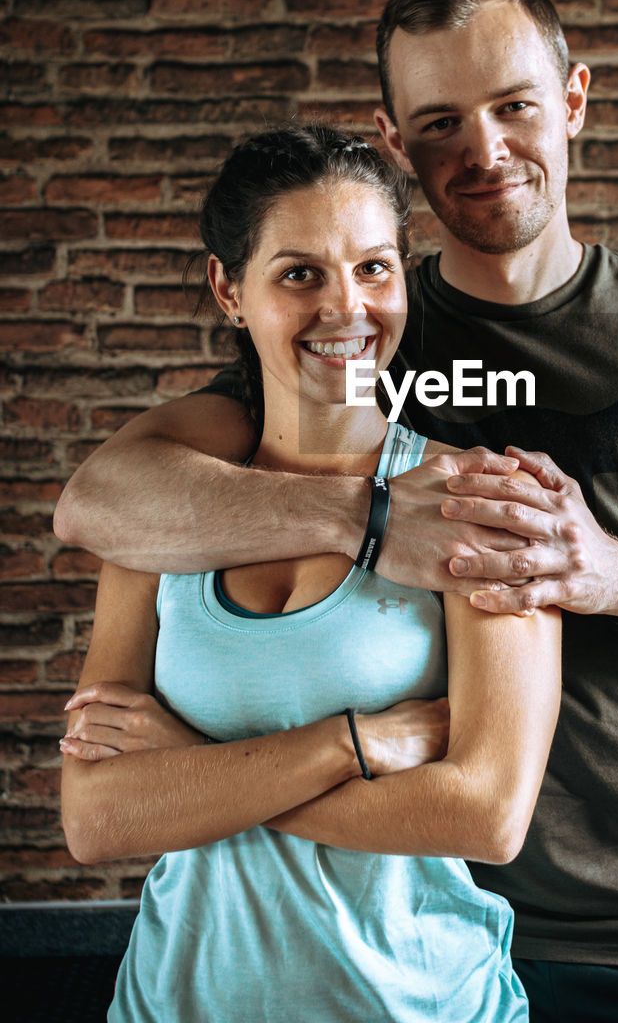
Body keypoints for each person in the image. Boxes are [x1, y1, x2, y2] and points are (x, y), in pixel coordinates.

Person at [55, 0, 618, 1023]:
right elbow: (104, 499)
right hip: (406, 914)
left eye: (513, 105)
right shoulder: (351, 330)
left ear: (571, 100)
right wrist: (372, 518)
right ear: (394, 139)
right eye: (438, 123)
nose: (482, 149)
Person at [60, 124, 562, 1023]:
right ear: (229, 290)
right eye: (300, 274)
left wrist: (193, 778)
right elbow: (98, 818)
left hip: (423, 1006)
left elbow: (485, 815)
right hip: (178, 1002)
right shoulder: (160, 520)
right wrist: (352, 747)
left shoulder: (481, 503)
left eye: (373, 268)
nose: (347, 309)